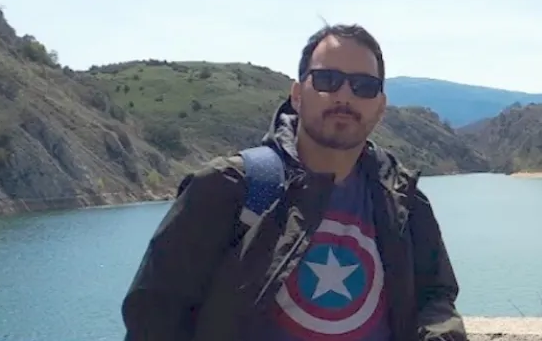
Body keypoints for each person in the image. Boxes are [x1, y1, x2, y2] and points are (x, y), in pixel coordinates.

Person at [121, 23, 466, 341]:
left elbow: (435, 296)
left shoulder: (403, 200)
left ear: (379, 107)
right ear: (298, 95)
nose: (344, 96)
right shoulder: (229, 187)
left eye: (363, 86)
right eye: (327, 80)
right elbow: (155, 317)